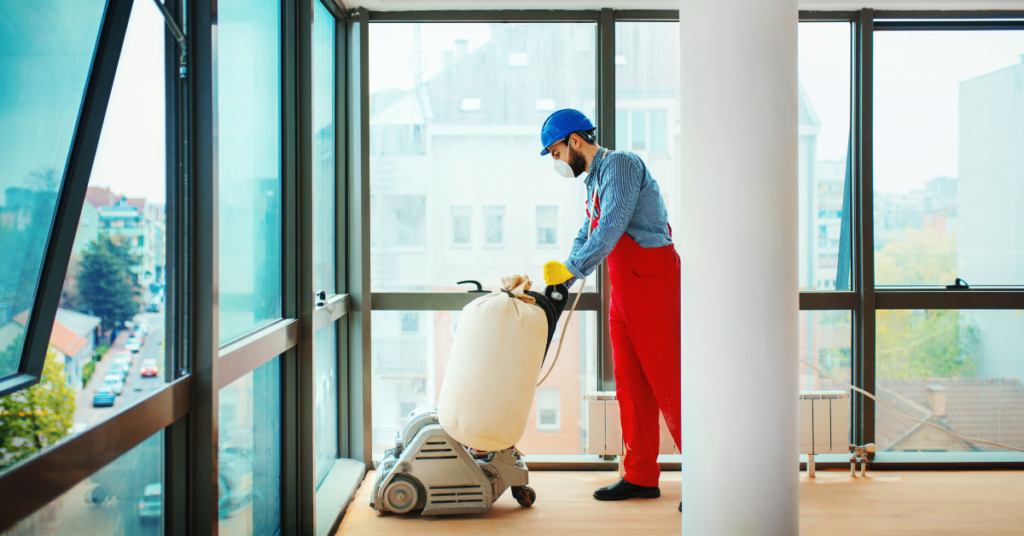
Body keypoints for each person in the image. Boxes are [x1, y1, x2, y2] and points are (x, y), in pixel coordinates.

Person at [539, 109, 681, 509]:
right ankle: (639, 475)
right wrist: (559, 281)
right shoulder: (594, 181)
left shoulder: (620, 165)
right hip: (624, 285)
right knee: (630, 383)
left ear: (575, 142)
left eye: (555, 152)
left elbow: (611, 226)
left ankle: (710, 479)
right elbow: (587, 231)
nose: (557, 161)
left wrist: (574, 268)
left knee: (668, 381)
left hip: (652, 280)